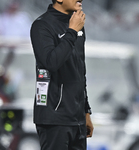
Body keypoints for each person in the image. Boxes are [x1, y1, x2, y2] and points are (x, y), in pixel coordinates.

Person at [30, 0, 94, 149]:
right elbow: (51, 62)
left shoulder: (76, 24)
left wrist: (85, 111)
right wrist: (71, 32)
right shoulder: (41, 25)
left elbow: (79, 71)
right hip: (53, 118)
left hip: (76, 118)